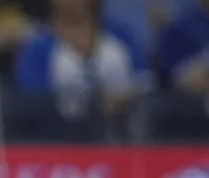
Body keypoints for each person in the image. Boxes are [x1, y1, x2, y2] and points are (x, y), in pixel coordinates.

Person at [14, 0, 146, 120]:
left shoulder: (122, 36)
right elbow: (33, 105)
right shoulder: (36, 50)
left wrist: (128, 96)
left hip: (126, 134)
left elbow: (147, 85)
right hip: (61, 138)